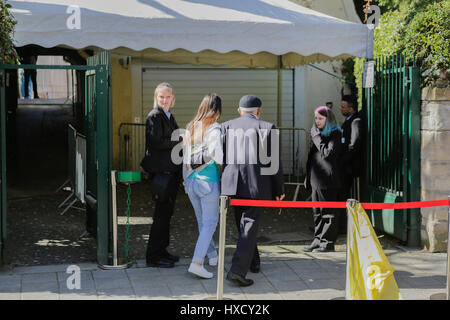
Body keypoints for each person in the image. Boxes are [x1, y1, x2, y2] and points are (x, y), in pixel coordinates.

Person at [221, 95, 285, 287]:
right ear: (259, 111)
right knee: (248, 226)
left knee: (243, 226)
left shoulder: (226, 126)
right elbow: (275, 164)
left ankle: (253, 262)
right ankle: (238, 271)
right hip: (255, 186)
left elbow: (222, 156)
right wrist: (278, 189)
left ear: (239, 110)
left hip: (232, 185)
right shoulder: (267, 127)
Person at [140, 82, 182, 268]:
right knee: (160, 217)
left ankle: (162, 250)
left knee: (167, 215)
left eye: (168, 97)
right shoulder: (154, 116)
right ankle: (153, 257)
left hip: (170, 173)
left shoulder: (168, 116)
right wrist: (179, 139)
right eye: (161, 97)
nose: (164, 100)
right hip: (161, 174)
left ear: (173, 99)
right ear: (156, 98)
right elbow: (155, 142)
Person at [183, 93, 223, 279]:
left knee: (203, 222)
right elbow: (218, 155)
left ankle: (212, 256)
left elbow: (185, 158)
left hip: (191, 181)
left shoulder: (191, 127)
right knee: (210, 224)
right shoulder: (214, 128)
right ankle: (197, 262)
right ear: (217, 111)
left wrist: (186, 181)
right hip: (208, 182)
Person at [304, 106, 342, 253]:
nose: (317, 121)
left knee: (328, 213)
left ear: (328, 119)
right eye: (316, 118)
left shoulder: (335, 134)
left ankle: (327, 243)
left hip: (328, 181)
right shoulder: (318, 134)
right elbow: (312, 159)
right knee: (317, 212)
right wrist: (308, 178)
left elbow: (328, 153)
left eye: (320, 118)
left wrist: (316, 137)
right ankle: (317, 239)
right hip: (316, 180)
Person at [338, 96, 364, 233]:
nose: (340, 109)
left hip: (350, 168)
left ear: (351, 108)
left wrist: (342, 161)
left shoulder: (356, 121)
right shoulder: (349, 121)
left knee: (346, 195)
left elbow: (353, 145)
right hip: (346, 166)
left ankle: (347, 226)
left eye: (343, 107)